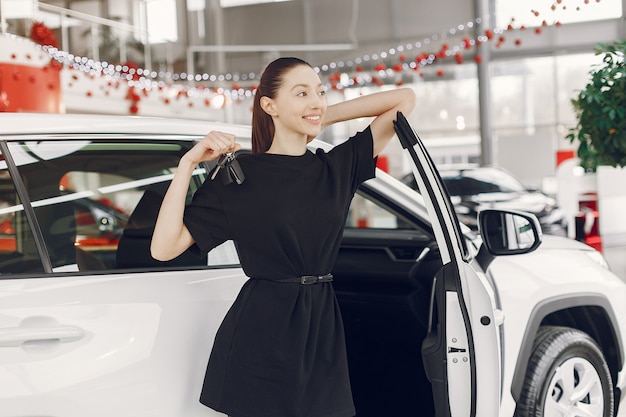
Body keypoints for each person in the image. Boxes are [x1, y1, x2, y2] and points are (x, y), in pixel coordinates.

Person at [151, 57, 416, 417]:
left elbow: (404, 100)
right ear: (268, 105)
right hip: (260, 333)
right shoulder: (239, 177)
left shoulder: (336, 167)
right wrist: (188, 165)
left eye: (320, 92)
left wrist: (317, 116)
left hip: (321, 328)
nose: (316, 99)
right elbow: (164, 248)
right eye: (302, 92)